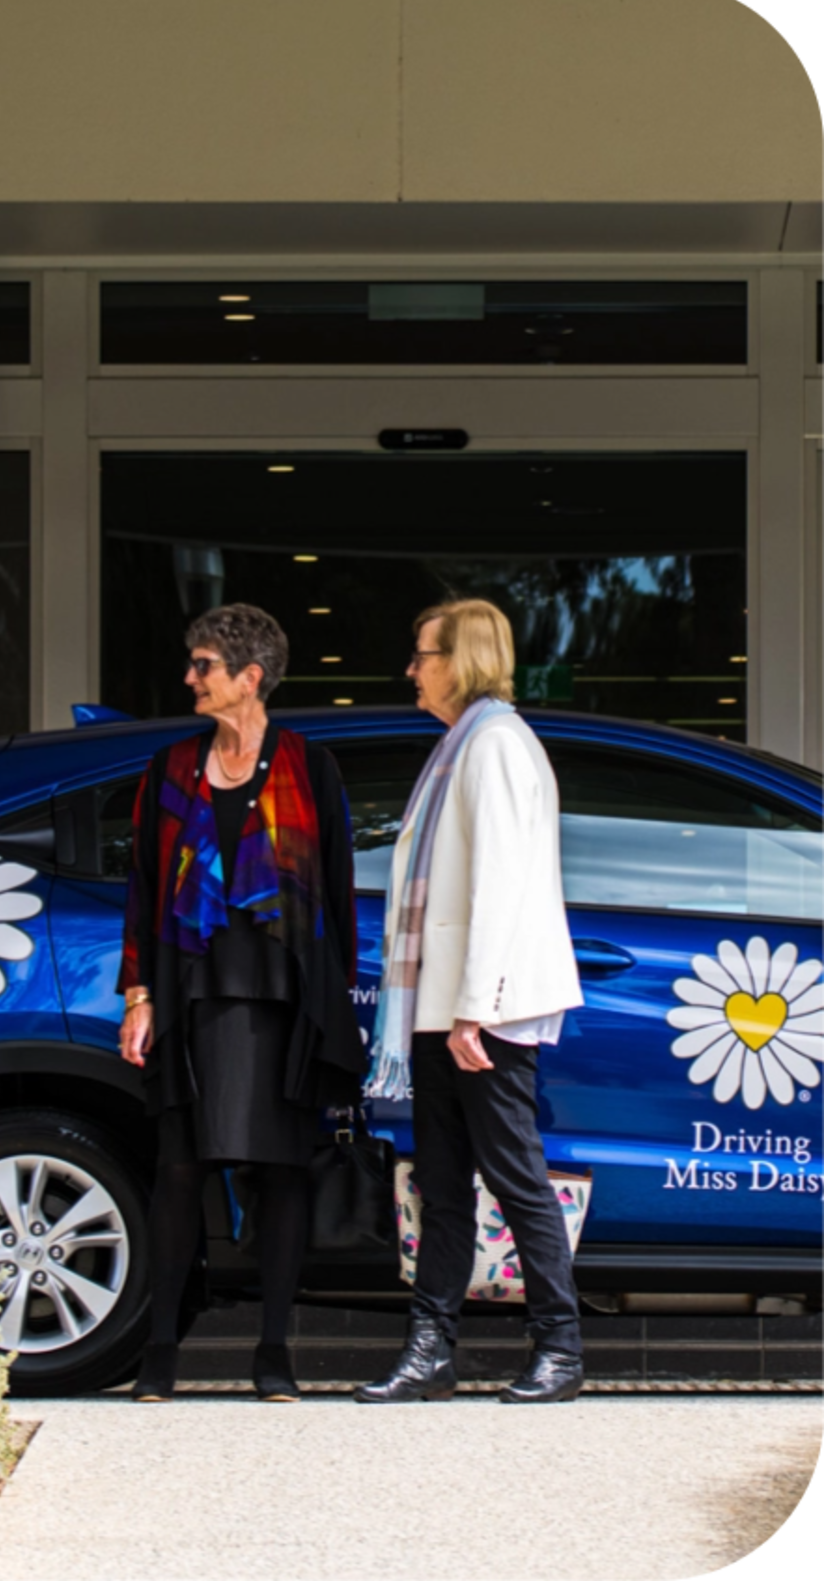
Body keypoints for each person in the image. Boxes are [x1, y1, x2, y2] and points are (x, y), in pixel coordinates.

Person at [118, 603, 363, 1402]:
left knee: (283, 1170)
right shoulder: (170, 767)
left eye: (203, 666)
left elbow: (335, 894)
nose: (189, 678)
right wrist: (138, 995)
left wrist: (334, 1005)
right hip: (189, 992)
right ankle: (160, 1351)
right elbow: (143, 888)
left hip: (283, 998)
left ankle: (273, 1352)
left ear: (248, 677)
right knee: (179, 1168)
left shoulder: (309, 767)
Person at [354, 598, 586, 1406]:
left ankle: (559, 1348)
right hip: (441, 1007)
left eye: (422, 655)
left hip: (479, 1011)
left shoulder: (494, 746)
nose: (411, 670)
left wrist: (474, 1009)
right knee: (442, 1183)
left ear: (462, 660)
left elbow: (501, 887)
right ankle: (430, 1352)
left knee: (515, 1175)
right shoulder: (460, 746)